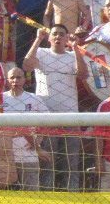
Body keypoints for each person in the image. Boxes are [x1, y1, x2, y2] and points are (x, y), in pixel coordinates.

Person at [21, 24, 88, 190]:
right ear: (49, 38)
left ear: (67, 38)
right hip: (46, 117)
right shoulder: (42, 53)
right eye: (55, 34)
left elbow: (83, 74)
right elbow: (27, 65)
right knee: (47, 163)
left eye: (62, 35)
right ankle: (46, 197)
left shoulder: (73, 55)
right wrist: (38, 39)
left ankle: (72, 196)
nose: (58, 37)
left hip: (70, 116)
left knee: (71, 163)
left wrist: (76, 48)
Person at [0, 67, 49, 190]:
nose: (15, 80)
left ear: (24, 79)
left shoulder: (34, 99)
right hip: (5, 156)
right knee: (7, 195)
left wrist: (38, 140)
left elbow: (46, 123)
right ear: (7, 80)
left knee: (31, 193)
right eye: (12, 77)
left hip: (28, 154)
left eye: (18, 77)